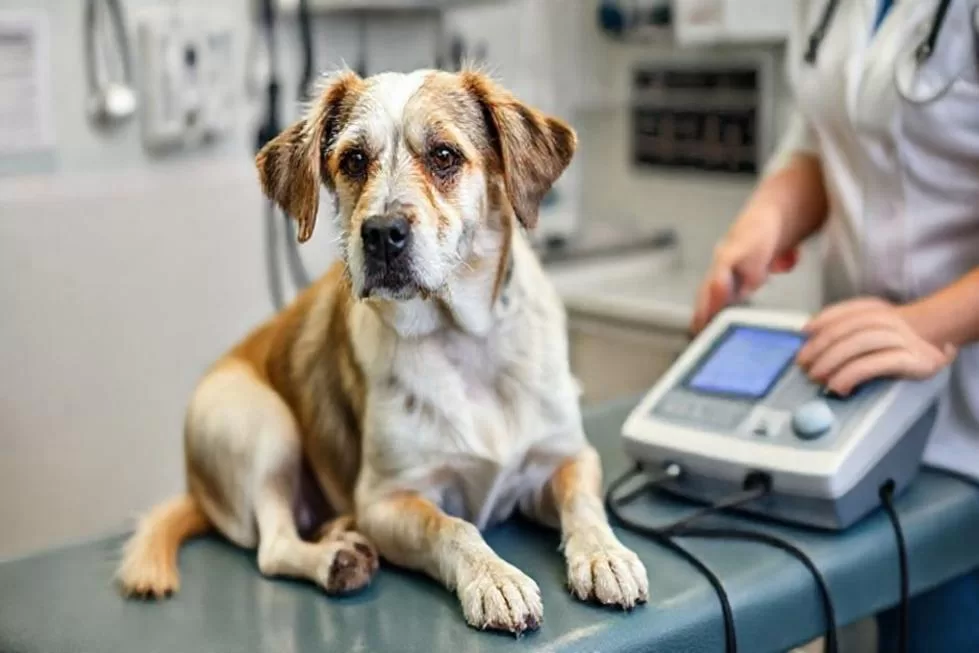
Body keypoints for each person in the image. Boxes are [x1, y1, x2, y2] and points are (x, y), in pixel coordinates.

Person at [690, 1, 979, 651]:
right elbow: (823, 139)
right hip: (854, 409)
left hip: (967, 435)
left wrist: (927, 324)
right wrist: (766, 221)